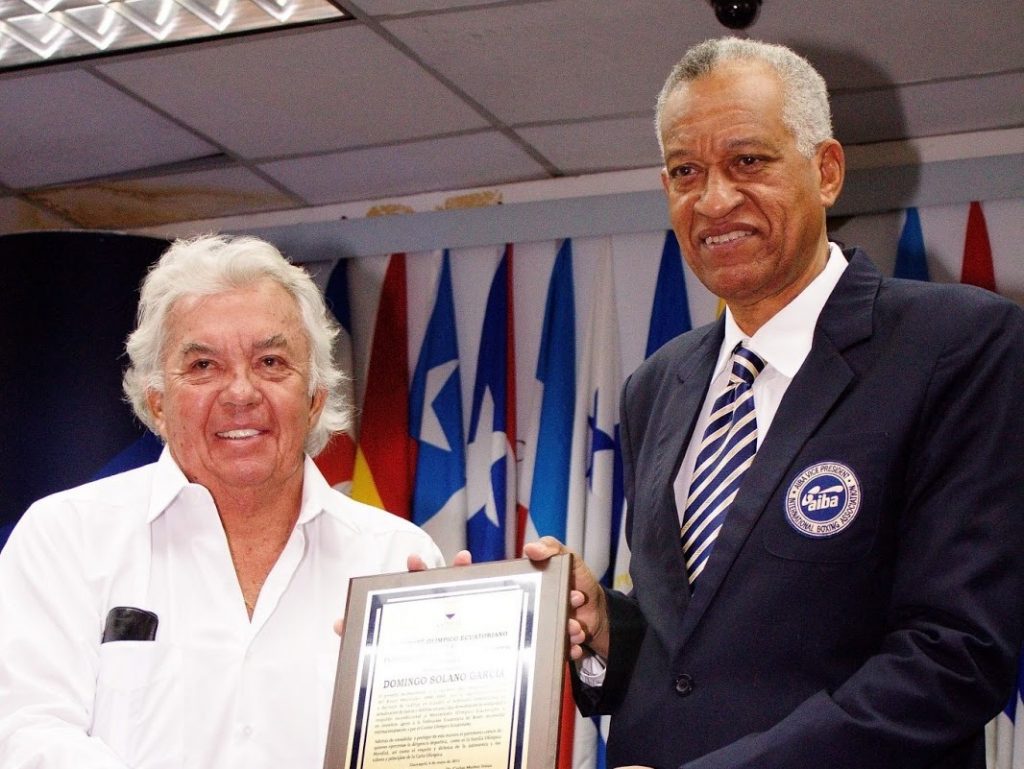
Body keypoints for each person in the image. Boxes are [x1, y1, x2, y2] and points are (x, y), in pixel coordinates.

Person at [525, 37, 1024, 769]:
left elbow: (956, 653)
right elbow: (691, 655)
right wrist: (605, 630)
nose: (714, 200)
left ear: (827, 172)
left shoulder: (956, 344)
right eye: (686, 172)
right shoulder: (656, 385)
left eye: (748, 161)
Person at [0, 234, 447, 768]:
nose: (240, 393)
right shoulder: (66, 538)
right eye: (203, 366)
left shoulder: (394, 559)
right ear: (157, 402)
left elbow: (436, 752)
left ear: (314, 400)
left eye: (271, 361)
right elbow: (26, 734)